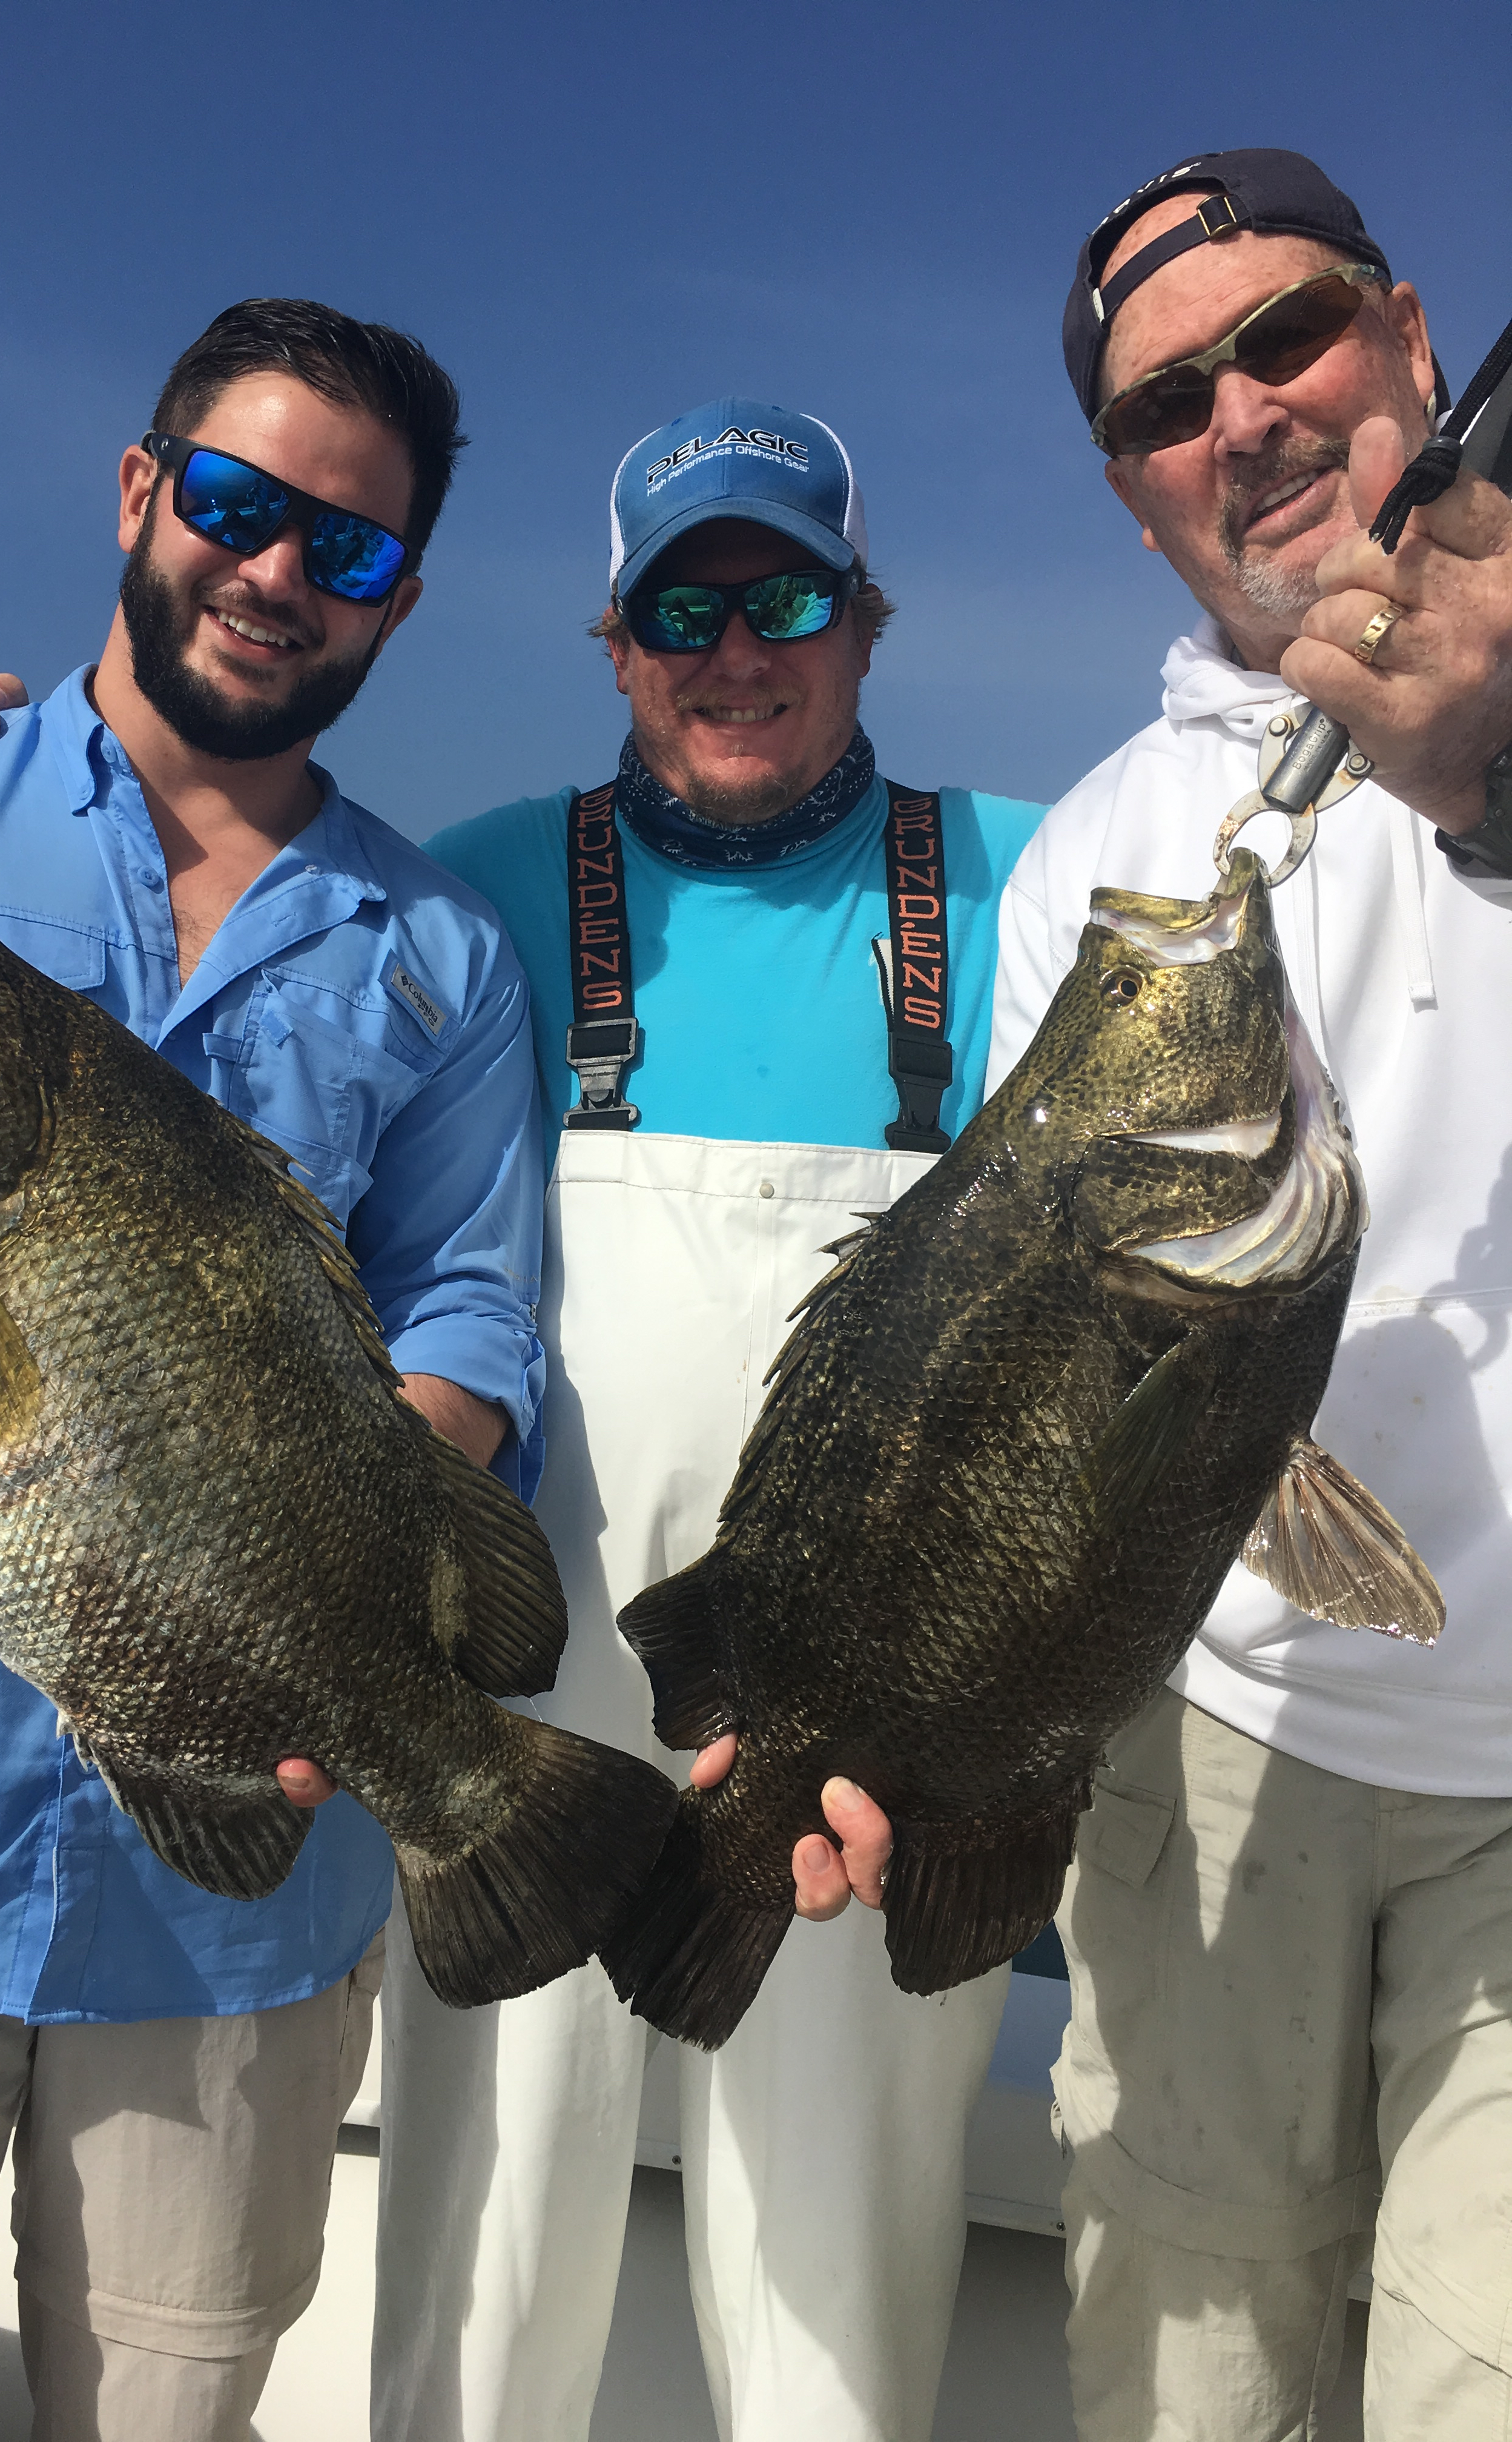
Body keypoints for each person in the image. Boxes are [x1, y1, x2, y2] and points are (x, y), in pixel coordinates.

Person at [0, 296, 547, 2442]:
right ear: (144, 492)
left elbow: (467, 1309)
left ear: (400, 600)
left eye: (344, 552)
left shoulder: (439, 951)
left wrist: (337, 1599)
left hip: (235, 1900)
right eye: (239, 508)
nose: (274, 576)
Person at [848, 148, 1512, 2437]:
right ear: (1134, 499)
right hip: (1214, 1741)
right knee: (1182, 2380)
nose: (1243, 415)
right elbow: (1027, 1367)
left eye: (1286, 335)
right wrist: (893, 1713)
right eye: (1162, 407)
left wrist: (1491, 779)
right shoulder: (1096, 855)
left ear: (1414, 338)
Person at [368, 402, 1046, 2442]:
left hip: (873, 1708)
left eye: (785, 598)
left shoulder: (1037, 877)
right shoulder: (462, 893)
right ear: (615, 640)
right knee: (481, 2253)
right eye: (685, 605)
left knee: (839, 2273)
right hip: (524, 1691)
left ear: (866, 619)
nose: (736, 650)